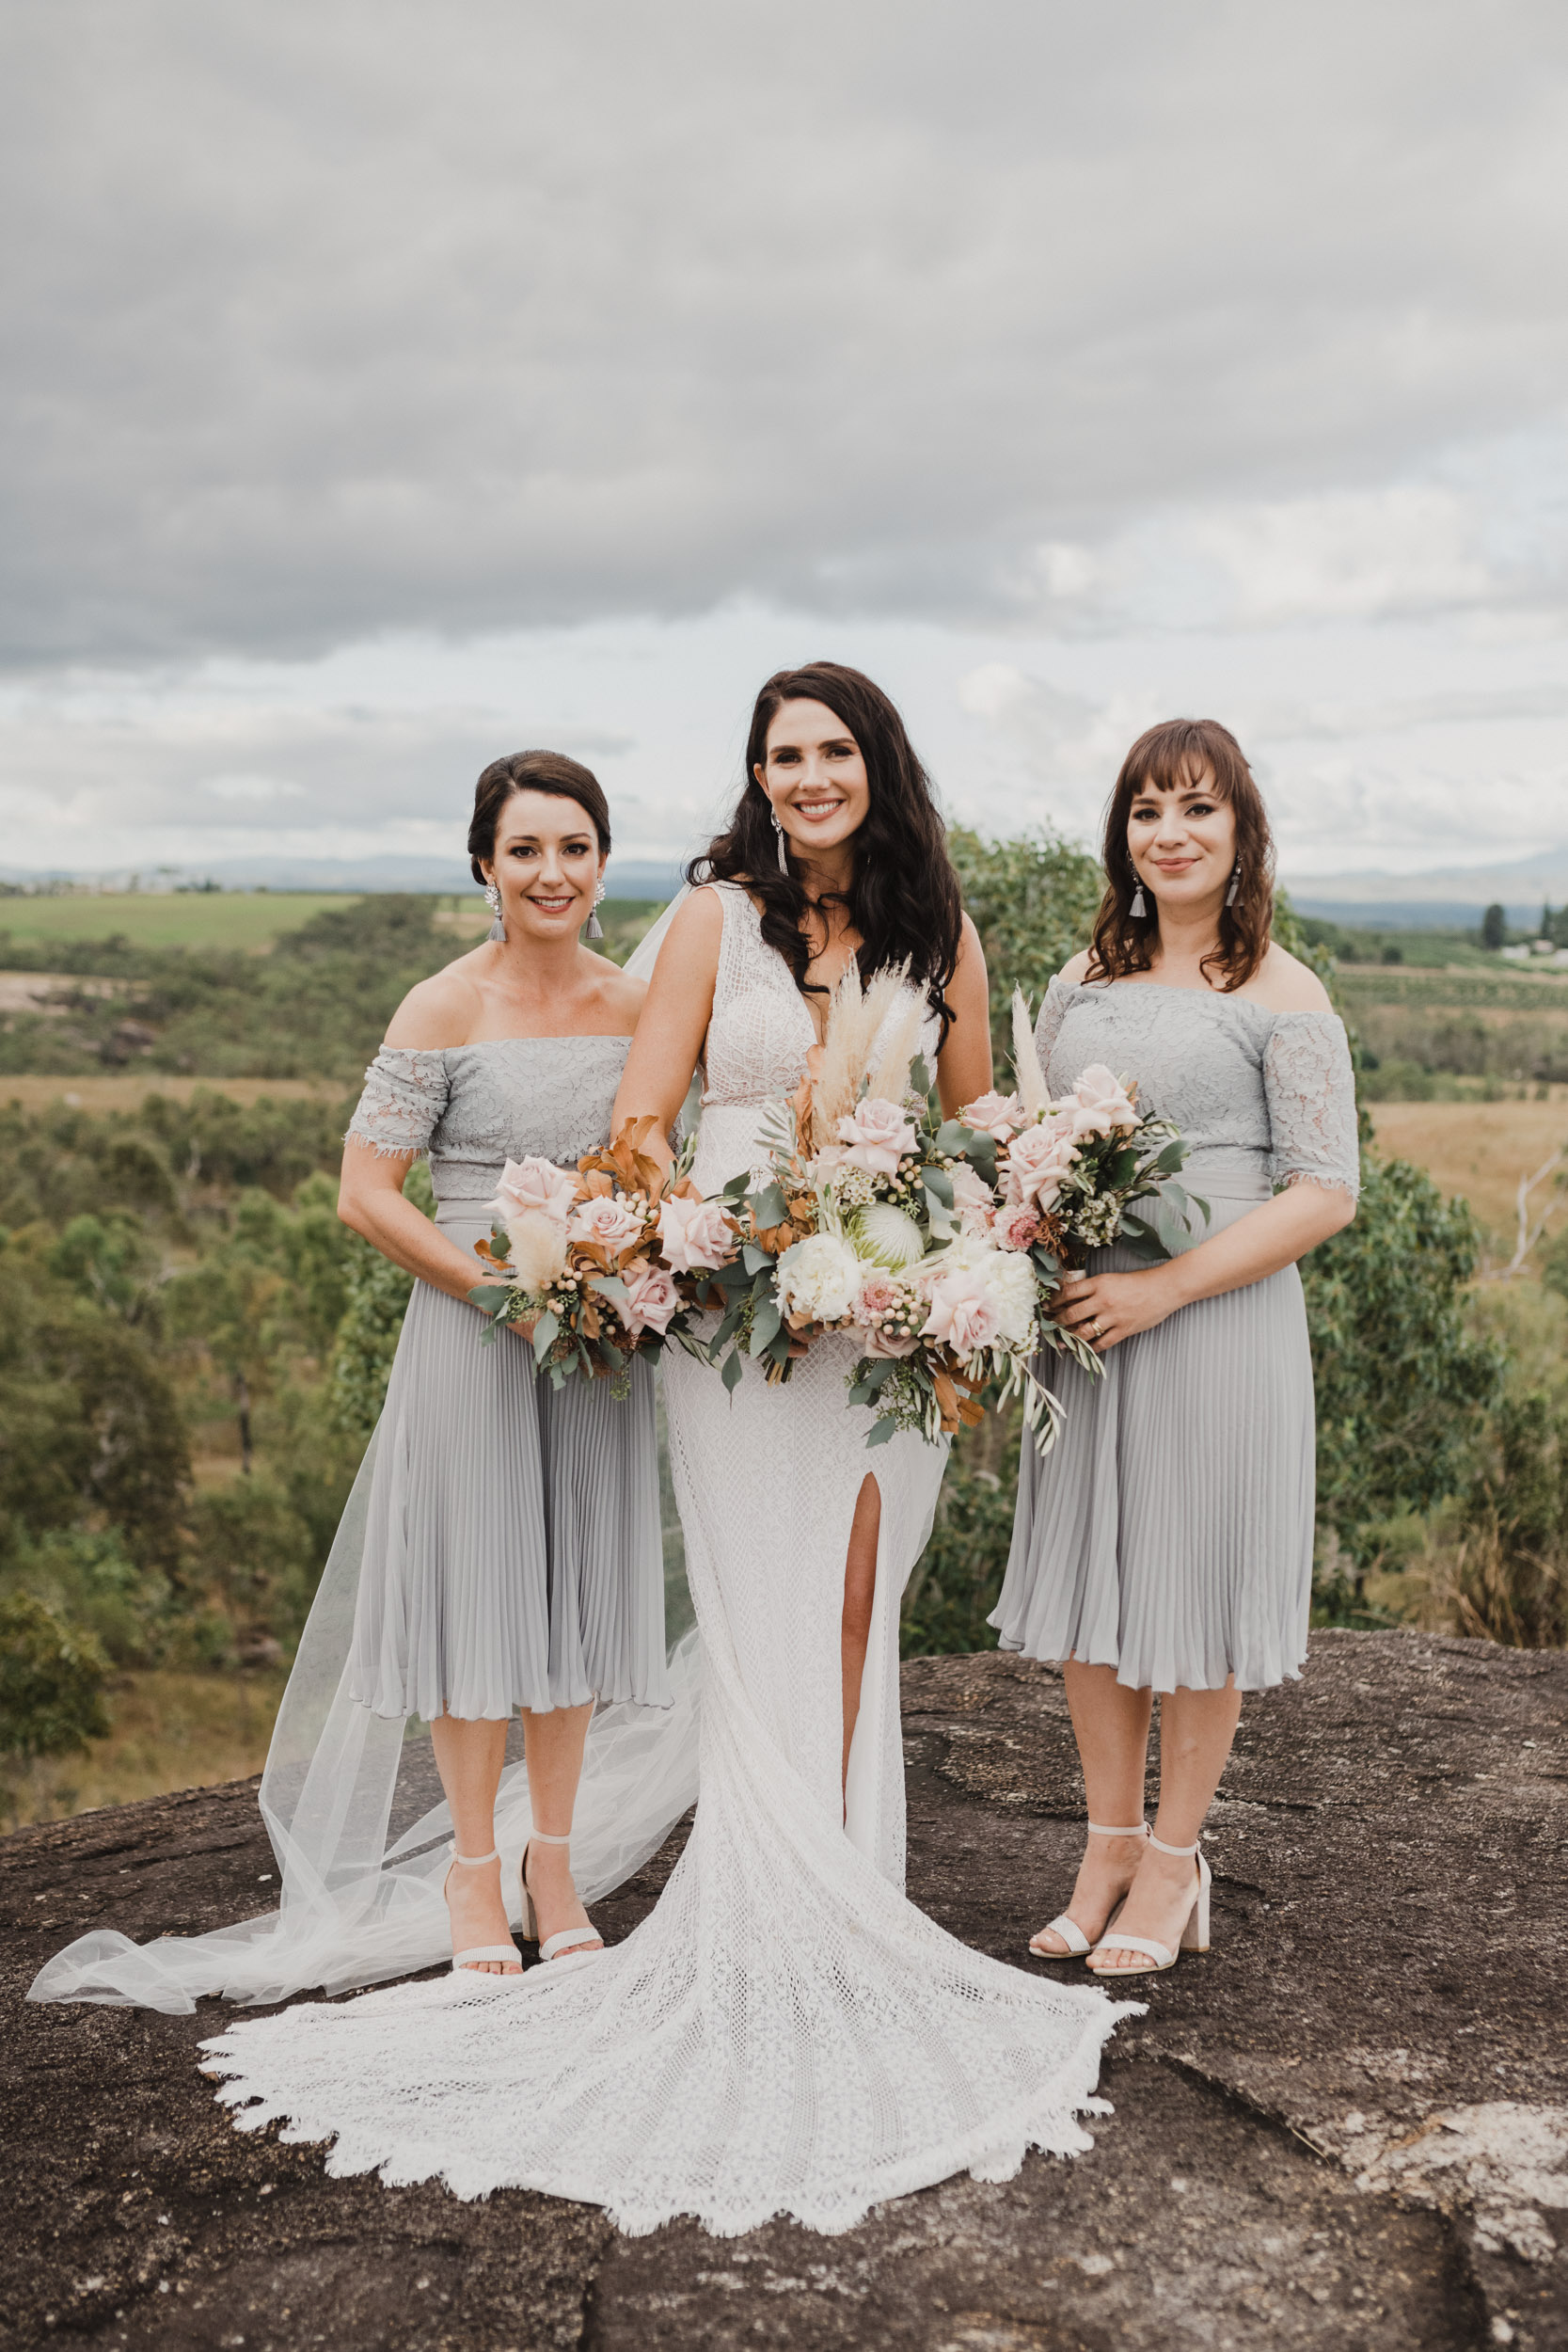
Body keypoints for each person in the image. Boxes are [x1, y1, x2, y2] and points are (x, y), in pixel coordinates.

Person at [188, 663, 1134, 2239]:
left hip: (891, 1324)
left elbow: (970, 1132)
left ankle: (852, 1908)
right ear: (757, 774)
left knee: (855, 1614)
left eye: (834, 751)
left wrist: (960, 1248)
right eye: (784, 754)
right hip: (739, 1323)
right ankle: (765, 1930)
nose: (809, 775)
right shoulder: (708, 916)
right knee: (765, 1613)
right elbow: (642, 1119)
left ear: (877, 766)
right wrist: (698, 1235)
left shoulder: (942, 935)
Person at [29, 750, 673, 2012]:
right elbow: (363, 1193)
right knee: (478, 1602)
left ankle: (557, 1867)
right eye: (525, 850)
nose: (552, 873)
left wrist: (627, 1268)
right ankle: (471, 1878)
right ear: (485, 865)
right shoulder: (441, 1006)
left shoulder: (639, 1002)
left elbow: (658, 1161)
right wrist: (492, 1291)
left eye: (575, 848)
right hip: (471, 1331)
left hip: (597, 1334)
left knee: (577, 1599)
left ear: (603, 863)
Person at [990, 718, 1358, 1979]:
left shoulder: (1284, 994)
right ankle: (1104, 1843)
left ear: (1243, 831)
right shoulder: (1080, 978)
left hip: (1217, 1326)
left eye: (1198, 809)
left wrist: (1171, 1291)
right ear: (1123, 837)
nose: (1172, 833)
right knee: (1097, 1580)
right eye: (1148, 811)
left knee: (1193, 1591)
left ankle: (1176, 1858)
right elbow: (1033, 1137)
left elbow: (1323, 1192)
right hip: (1089, 1323)